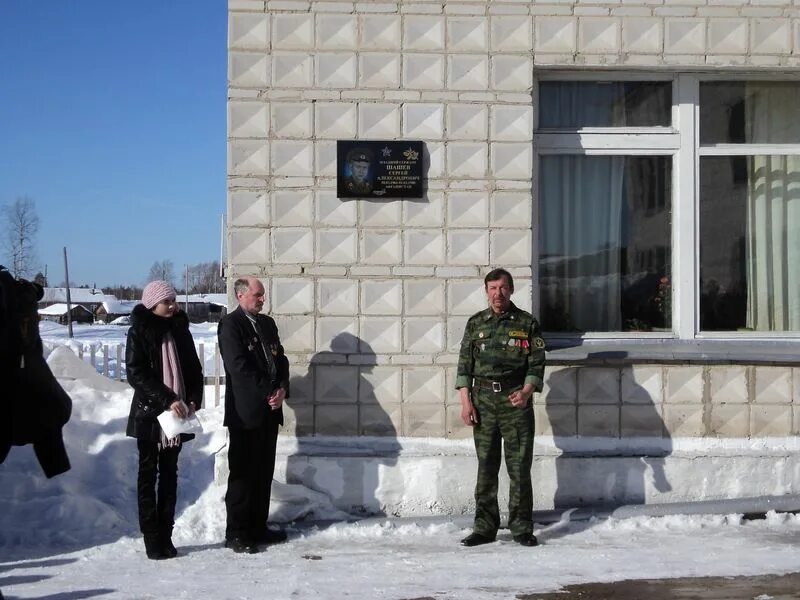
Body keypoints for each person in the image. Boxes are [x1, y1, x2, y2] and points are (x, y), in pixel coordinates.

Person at [456, 268, 546, 547]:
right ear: (486, 291)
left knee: (519, 467)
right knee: (486, 466)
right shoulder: (475, 323)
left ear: (511, 289)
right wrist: (465, 402)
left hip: (514, 401)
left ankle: (521, 526)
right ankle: (484, 527)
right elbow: (464, 365)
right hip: (483, 401)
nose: (498, 294)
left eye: (503, 288)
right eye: (493, 288)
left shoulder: (527, 323)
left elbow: (537, 363)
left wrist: (527, 391)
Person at [125, 280, 203, 560]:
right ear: (152, 304)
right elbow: (137, 373)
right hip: (150, 415)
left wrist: (192, 399)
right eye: (166, 301)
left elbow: (194, 369)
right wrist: (168, 398)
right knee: (147, 476)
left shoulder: (181, 332)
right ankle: (151, 537)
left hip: (179, 416)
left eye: (173, 300)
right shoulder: (139, 332)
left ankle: (166, 534)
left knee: (170, 475)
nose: (172, 306)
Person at [218, 276, 290, 554]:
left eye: (263, 295)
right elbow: (238, 367)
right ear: (241, 295)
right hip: (246, 412)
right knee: (243, 474)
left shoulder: (267, 323)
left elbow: (279, 358)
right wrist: (267, 392)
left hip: (270, 411)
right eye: (258, 295)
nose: (262, 299)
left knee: (263, 471)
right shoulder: (230, 325)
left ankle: (258, 526)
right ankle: (237, 532)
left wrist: (282, 387)